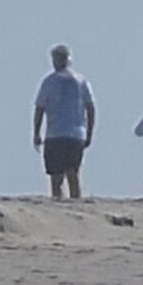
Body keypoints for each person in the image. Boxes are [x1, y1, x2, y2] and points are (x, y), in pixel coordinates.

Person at [32, 45, 96, 199]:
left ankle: (62, 204)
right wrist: (89, 133)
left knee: (58, 178)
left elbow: (39, 108)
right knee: (71, 175)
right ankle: (74, 203)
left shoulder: (49, 81)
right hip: (74, 134)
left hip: (57, 134)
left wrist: (36, 132)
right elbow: (91, 108)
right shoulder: (80, 80)